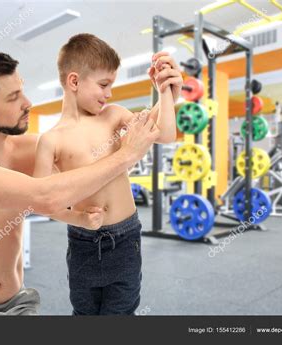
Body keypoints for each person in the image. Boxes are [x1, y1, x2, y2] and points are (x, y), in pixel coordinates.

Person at [0, 50, 161, 315]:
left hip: (17, 305)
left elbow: (93, 159)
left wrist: (167, 92)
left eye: (22, 91)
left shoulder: (29, 148)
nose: (28, 102)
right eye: (13, 97)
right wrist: (127, 155)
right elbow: (45, 197)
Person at [33, 34, 182, 315]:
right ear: (74, 81)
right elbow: (41, 202)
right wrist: (78, 218)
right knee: (85, 315)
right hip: (82, 243)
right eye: (104, 84)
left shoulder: (114, 115)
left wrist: (165, 92)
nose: (109, 93)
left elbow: (165, 133)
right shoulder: (51, 140)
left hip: (125, 238)